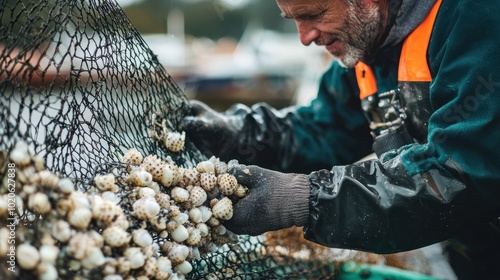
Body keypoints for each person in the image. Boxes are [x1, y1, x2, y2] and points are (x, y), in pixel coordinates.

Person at [180, 0, 500, 279]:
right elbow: (326, 129)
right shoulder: (368, 41)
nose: (305, 37)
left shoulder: (478, 16)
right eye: (293, 20)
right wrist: (238, 134)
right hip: (474, 258)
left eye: (315, 14)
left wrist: (305, 200)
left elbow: (461, 173)